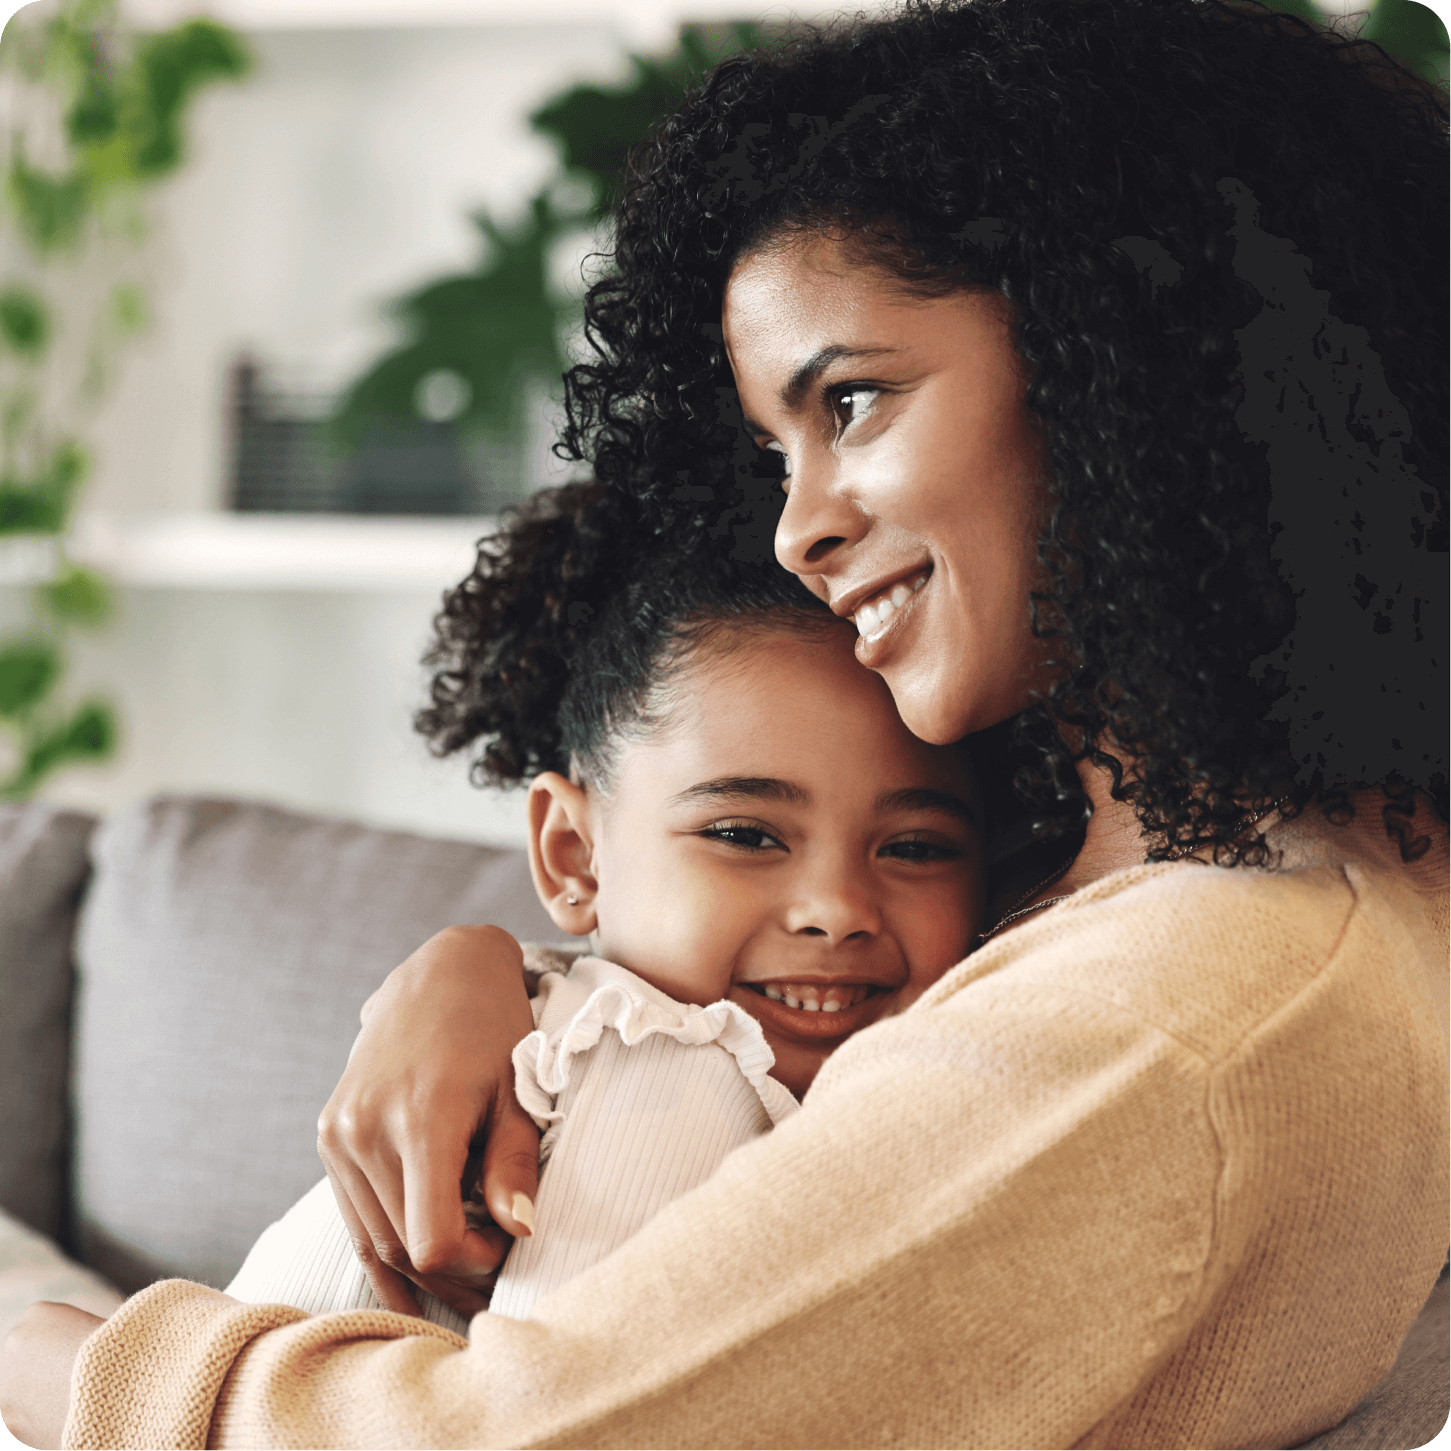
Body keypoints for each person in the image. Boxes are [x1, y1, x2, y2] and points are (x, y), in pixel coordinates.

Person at [2, 0, 1445, 1446]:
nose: (796, 532)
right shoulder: (1113, 868)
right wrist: (497, 974)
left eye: (855, 401)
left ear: (1121, 348)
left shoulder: (1189, 1016)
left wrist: (37, 1344)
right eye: (774, 451)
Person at [220, 480, 983, 1331]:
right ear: (574, 855)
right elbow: (564, 1409)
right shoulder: (662, 1063)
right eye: (744, 833)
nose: (836, 909)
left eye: (914, 847)